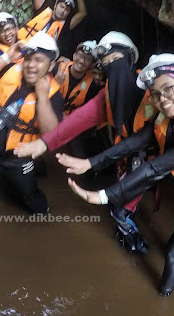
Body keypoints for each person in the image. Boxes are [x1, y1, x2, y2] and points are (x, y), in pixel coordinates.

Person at [57, 54, 174, 296]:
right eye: (155, 94)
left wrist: (102, 196)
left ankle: (163, 296)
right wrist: (90, 163)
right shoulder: (171, 113)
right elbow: (134, 143)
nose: (162, 100)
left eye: (168, 89)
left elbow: (156, 168)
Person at [14, 31, 159, 252]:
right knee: (124, 197)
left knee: (121, 205)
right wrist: (45, 143)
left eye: (116, 60)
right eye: (107, 63)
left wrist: (92, 162)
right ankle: (127, 225)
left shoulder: (154, 93)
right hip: (124, 153)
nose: (112, 66)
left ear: (130, 61)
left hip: (154, 158)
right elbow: (78, 120)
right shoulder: (108, 94)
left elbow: (143, 138)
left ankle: (135, 242)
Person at [0, 32, 66, 215]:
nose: (31, 65)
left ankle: (42, 212)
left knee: (30, 197)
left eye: (38, 60)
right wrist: (7, 56)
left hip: (15, 157)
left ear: (51, 65)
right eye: (29, 59)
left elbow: (51, 136)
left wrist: (42, 97)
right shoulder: (9, 68)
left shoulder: (53, 95)